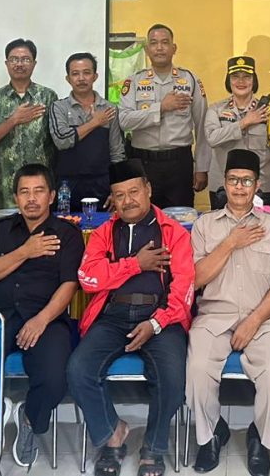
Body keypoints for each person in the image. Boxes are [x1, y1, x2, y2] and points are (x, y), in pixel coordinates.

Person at [68, 160, 194, 476]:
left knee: (172, 378)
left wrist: (155, 323)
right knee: (78, 370)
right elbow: (88, 279)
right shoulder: (104, 233)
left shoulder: (173, 232)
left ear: (148, 189)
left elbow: (183, 288)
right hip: (113, 316)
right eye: (120, 195)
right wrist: (135, 264)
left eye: (134, 191)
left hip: (161, 318)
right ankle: (113, 434)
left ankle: (153, 447)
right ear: (112, 199)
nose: (128, 201)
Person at [0, 163, 85, 468]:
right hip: (0, 315)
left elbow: (70, 285)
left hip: (47, 317)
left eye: (38, 191)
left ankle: (30, 419)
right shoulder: (2, 230)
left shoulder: (68, 234)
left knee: (55, 377)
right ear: (16, 197)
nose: (31, 198)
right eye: (24, 192)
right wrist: (24, 251)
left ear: (51, 196)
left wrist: (41, 320)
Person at [187, 150, 270, 476]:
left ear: (257, 185)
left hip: (263, 318)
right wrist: (230, 242)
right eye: (233, 180)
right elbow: (196, 279)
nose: (240, 187)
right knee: (198, 368)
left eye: (246, 181)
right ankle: (212, 433)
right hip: (214, 316)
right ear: (224, 183)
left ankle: (260, 436)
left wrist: (255, 320)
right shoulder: (204, 225)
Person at [118, 24, 210, 208]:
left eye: (165, 42)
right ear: (146, 50)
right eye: (153, 43)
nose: (159, 48)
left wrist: (201, 168)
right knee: (143, 215)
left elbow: (202, 126)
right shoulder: (133, 81)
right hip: (143, 163)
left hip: (179, 163)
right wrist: (161, 108)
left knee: (181, 218)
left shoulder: (190, 79)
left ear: (174, 48)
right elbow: (124, 120)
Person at [0, 38, 58, 209]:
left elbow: (57, 141)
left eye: (25, 59)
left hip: (40, 190)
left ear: (34, 63)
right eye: (14, 59)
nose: (19, 64)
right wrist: (13, 120)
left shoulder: (48, 97)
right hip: (5, 191)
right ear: (6, 63)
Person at [204, 56, 270, 210]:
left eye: (246, 77)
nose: (241, 81)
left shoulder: (268, 112)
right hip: (224, 188)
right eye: (235, 76)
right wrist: (244, 122)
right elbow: (212, 138)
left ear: (254, 80)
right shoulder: (215, 110)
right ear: (228, 80)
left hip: (261, 187)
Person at [48, 52, 126, 207]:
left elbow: (117, 153)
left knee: (103, 222)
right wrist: (95, 122)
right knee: (66, 222)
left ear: (95, 76)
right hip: (67, 185)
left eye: (87, 73)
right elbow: (62, 141)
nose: (81, 78)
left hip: (102, 184)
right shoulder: (59, 107)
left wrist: (118, 188)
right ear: (68, 78)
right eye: (75, 74)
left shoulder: (109, 109)